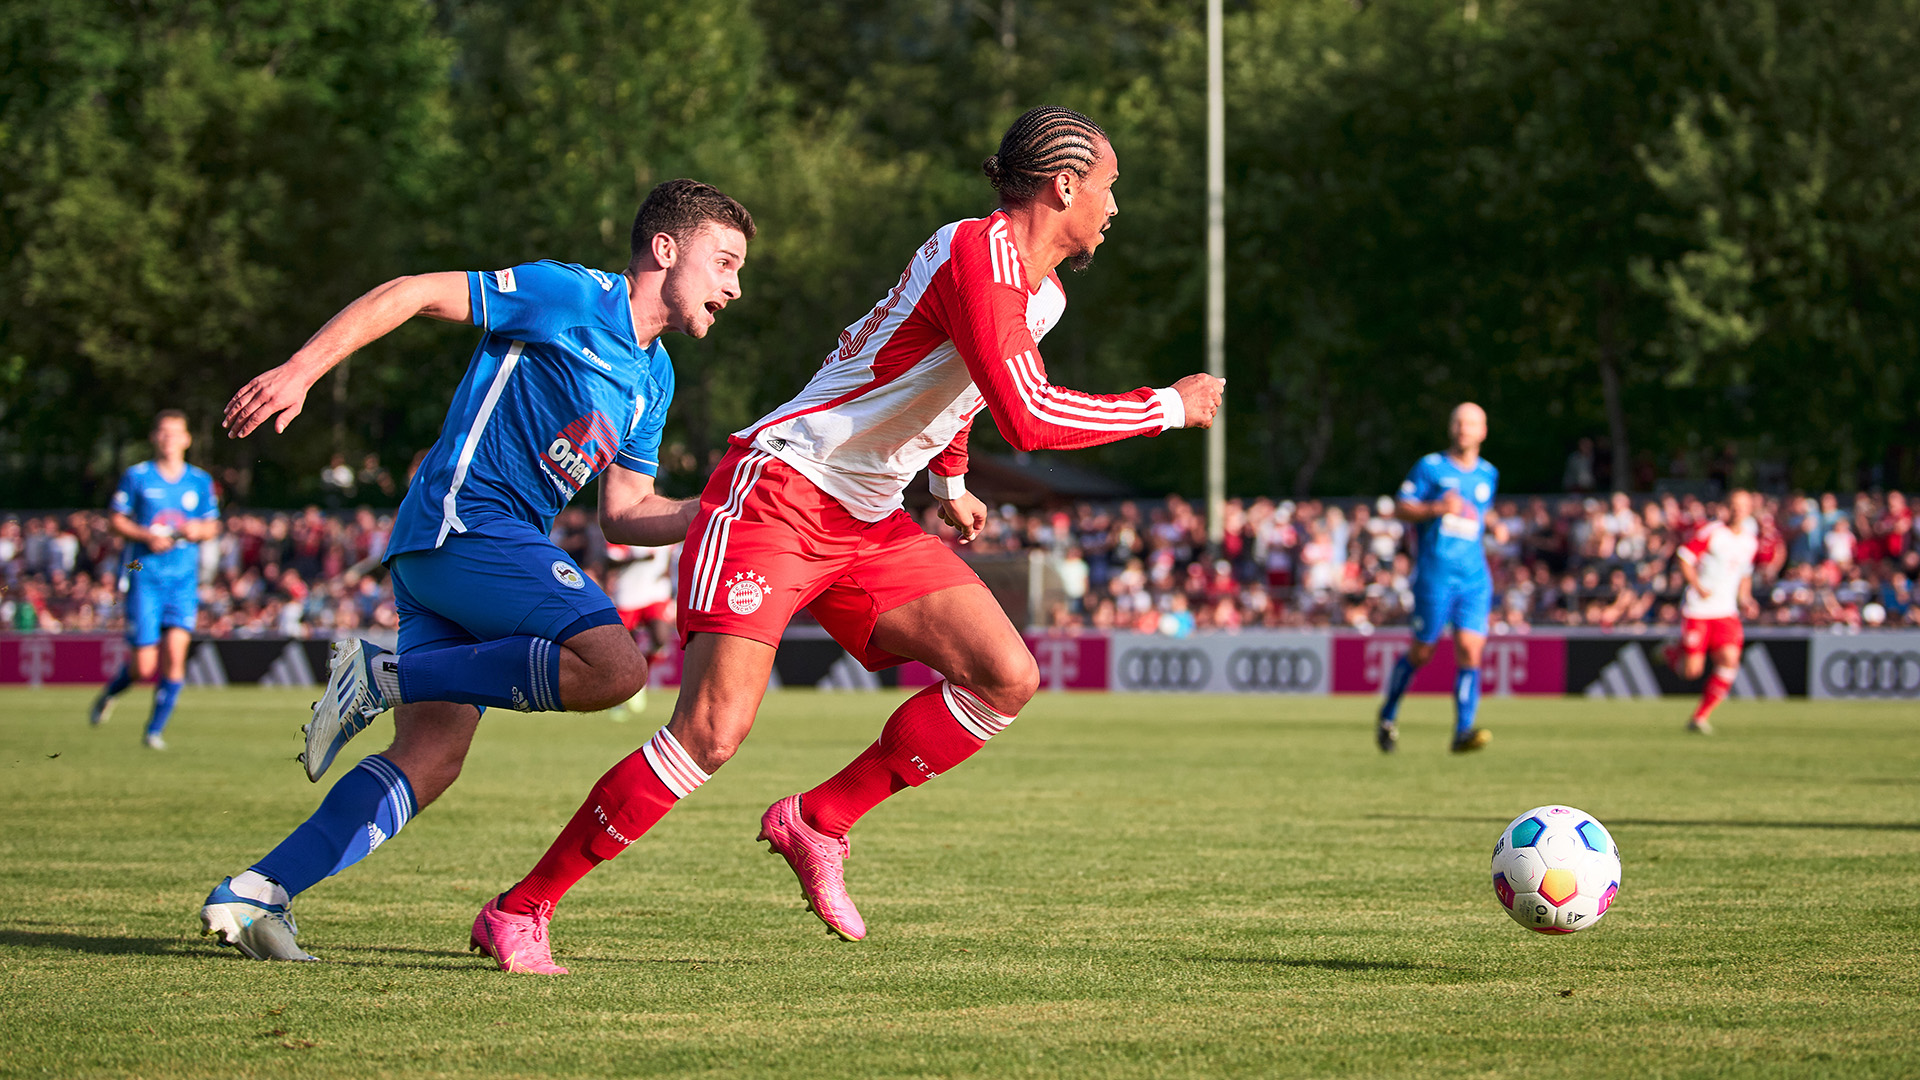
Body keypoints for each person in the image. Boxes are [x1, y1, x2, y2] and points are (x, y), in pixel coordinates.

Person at [470, 105, 1225, 974]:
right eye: (1110, 186)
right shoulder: (979, 252)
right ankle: (519, 909)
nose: (1114, 206)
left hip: (868, 517)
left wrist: (948, 482)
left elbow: (963, 387)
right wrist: (1168, 406)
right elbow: (1028, 412)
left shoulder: (1040, 292)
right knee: (712, 732)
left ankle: (819, 821)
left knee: (1005, 677)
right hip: (783, 491)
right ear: (1064, 185)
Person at [197, 179, 753, 961]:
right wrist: (301, 370)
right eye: (724, 262)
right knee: (615, 667)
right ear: (665, 250)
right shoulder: (569, 294)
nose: (734, 287)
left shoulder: (654, 376)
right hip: (465, 527)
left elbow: (625, 513)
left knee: (432, 758)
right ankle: (387, 675)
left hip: (476, 556)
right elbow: (414, 292)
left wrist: (727, 509)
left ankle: (258, 893)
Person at [1375, 403, 1505, 754]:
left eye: (1472, 423)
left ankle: (1463, 731)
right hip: (1435, 575)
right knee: (1422, 651)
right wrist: (1434, 508)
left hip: (1475, 577)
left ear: (1483, 431)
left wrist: (1495, 526)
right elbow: (1402, 507)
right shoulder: (1430, 467)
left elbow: (1478, 514)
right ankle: (1387, 714)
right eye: (1459, 423)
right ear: (1452, 428)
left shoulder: (1488, 474)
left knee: (1470, 649)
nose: (1465, 429)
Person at [89, 410, 221, 749]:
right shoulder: (138, 476)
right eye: (162, 432)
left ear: (187, 439)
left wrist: (197, 530)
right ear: (154, 438)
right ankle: (110, 694)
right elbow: (116, 520)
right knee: (143, 666)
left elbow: (213, 524)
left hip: (182, 580)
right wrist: (146, 536)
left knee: (176, 656)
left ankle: (154, 731)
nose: (168, 439)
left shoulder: (199, 481)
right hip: (143, 574)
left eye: (175, 433)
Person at [1662, 490, 1758, 734]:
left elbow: (1744, 574)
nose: (1738, 510)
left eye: (1743, 506)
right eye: (1734, 505)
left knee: (1730, 661)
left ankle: (1700, 717)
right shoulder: (1712, 532)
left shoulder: (1749, 540)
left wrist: (1745, 598)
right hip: (1698, 610)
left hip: (1726, 611)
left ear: (1750, 509)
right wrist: (1697, 586)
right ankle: (1668, 652)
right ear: (1727, 507)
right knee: (1691, 671)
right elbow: (1684, 558)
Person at [604, 540, 678, 716]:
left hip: (656, 593)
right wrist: (638, 559)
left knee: (660, 639)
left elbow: (672, 554)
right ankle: (619, 694)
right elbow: (610, 561)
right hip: (628, 596)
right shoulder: (624, 532)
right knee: (622, 650)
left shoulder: (665, 532)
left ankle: (641, 679)